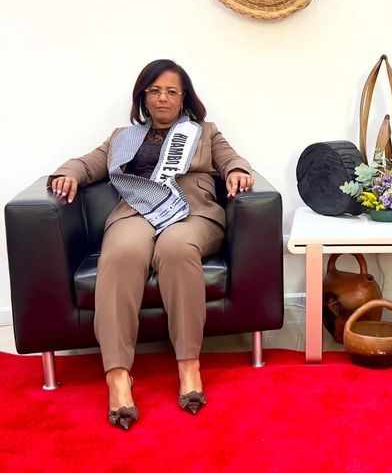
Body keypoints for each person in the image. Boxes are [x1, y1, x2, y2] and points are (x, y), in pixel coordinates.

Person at [50, 59, 253, 431]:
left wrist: (238, 171)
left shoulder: (204, 133)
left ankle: (188, 365)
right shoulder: (123, 137)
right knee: (121, 253)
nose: (163, 98)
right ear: (143, 97)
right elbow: (88, 163)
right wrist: (68, 173)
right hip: (136, 213)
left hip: (191, 212)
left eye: (171, 91)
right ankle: (117, 375)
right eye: (155, 91)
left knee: (176, 249)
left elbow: (231, 160)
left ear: (183, 97)